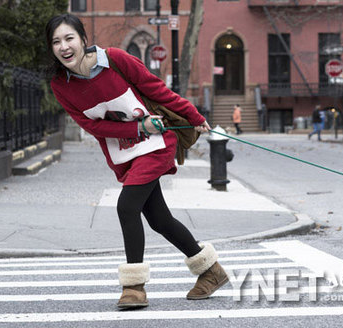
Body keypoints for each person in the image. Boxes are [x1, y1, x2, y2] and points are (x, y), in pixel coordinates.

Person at [45, 14, 228, 310]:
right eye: (56, 42)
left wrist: (194, 117)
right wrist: (138, 128)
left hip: (155, 146)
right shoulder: (61, 85)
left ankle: (134, 287)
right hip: (126, 153)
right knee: (159, 220)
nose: (64, 47)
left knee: (127, 206)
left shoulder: (115, 59)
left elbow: (157, 89)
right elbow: (94, 127)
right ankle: (211, 272)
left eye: (69, 38)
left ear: (83, 40)